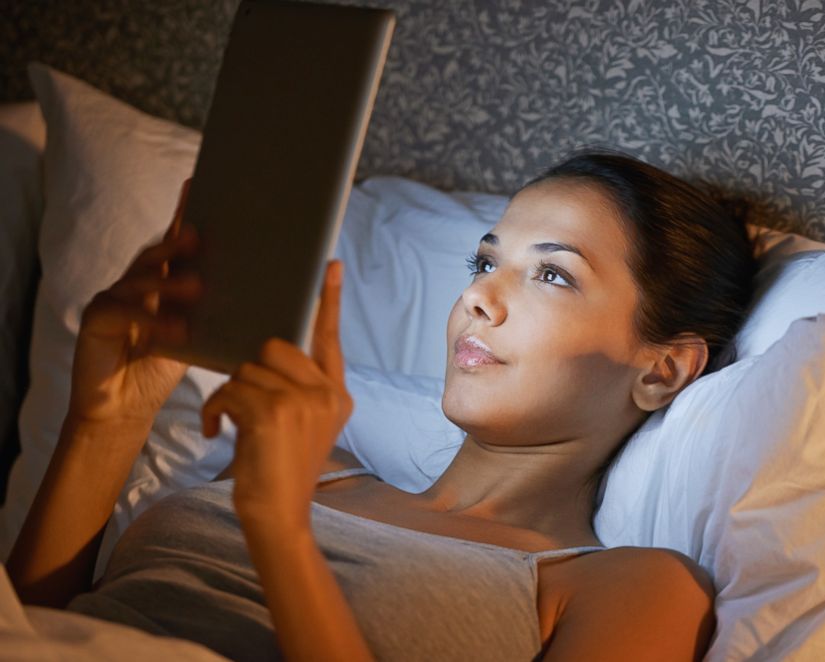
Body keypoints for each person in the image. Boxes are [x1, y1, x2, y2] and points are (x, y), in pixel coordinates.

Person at [7, 150, 756, 661]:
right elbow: (46, 625)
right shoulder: (315, 468)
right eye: (486, 261)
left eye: (552, 275)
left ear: (661, 370)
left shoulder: (632, 587)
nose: (477, 297)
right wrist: (104, 423)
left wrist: (280, 535)